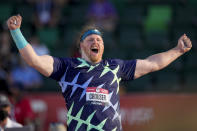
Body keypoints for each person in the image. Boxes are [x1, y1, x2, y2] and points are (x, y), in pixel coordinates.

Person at [6, 15, 192, 131]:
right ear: (81, 46)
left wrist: (177, 50)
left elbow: (152, 63)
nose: (96, 42)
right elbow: (34, 60)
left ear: (103, 46)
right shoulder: (67, 67)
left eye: (99, 40)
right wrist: (16, 32)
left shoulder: (115, 67)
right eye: (90, 39)